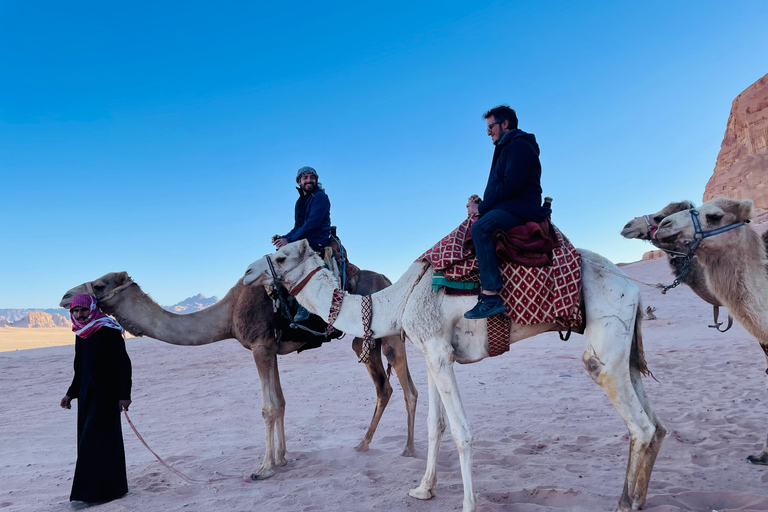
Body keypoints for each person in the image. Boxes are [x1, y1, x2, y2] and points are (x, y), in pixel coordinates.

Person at [464, 105, 550, 319]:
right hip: (510, 205)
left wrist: (481, 209)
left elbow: (512, 185)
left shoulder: (519, 145)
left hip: (521, 208)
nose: (488, 133)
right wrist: (481, 202)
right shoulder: (507, 147)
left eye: (490, 127)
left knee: (481, 229)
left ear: (505, 123)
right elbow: (503, 187)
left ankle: (490, 295)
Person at [60, 294, 132, 503]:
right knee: (86, 442)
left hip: (106, 395)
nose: (80, 315)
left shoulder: (108, 329)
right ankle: (94, 491)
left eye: (83, 310)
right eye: (76, 311)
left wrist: (124, 395)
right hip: (86, 394)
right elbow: (79, 367)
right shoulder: (80, 333)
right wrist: (71, 393)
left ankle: (104, 492)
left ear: (92, 308)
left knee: (99, 440)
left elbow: (123, 364)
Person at [272, 166, 332, 321]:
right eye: (305, 178)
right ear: (299, 182)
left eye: (312, 177)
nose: (309, 180)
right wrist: (283, 238)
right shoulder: (300, 202)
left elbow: (312, 224)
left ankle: (305, 306)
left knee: (299, 264)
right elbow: (298, 227)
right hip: (303, 239)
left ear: (316, 180)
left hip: (317, 239)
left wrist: (289, 240)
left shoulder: (320, 197)